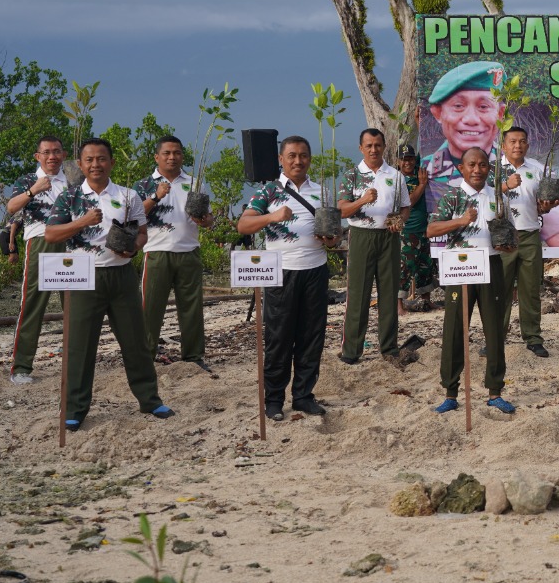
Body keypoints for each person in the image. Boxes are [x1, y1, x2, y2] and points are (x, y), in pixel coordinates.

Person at [44, 138, 174, 430]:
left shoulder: (128, 196)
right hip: (81, 276)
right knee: (79, 346)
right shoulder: (70, 198)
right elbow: (51, 234)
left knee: (135, 341)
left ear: (111, 162)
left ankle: (150, 400)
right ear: (80, 164)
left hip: (121, 275)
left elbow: (141, 233)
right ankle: (75, 408)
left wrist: (134, 248)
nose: (95, 165)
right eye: (89, 160)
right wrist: (83, 221)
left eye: (101, 159)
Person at [420, 61, 559, 246]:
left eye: (484, 107)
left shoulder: (534, 171)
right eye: (458, 106)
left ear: (501, 113)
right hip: (454, 267)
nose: (471, 119)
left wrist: (542, 208)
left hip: (503, 256)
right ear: (438, 112)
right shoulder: (424, 170)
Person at [236, 136, 339, 419]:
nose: (298, 161)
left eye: (303, 155)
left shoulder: (322, 192)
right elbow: (243, 224)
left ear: (309, 159)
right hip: (280, 272)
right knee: (279, 337)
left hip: (315, 270)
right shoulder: (269, 191)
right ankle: (274, 400)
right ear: (281, 159)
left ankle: (304, 395)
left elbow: (333, 239)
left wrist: (330, 239)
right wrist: (272, 217)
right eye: (292, 155)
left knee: (311, 336)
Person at [427, 147, 517, 414]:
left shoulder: (498, 197)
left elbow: (512, 234)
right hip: (459, 267)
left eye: (482, 165)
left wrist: (509, 246)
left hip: (490, 265)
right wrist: (460, 221)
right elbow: (431, 229)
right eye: (472, 165)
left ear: (489, 169)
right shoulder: (452, 197)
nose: (477, 170)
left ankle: (495, 391)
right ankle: (451, 392)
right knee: (454, 329)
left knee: (494, 330)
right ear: (461, 169)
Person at [133, 136, 215, 367]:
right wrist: (156, 196)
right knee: (150, 308)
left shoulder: (195, 182)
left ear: (182, 156)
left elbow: (207, 219)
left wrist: (207, 221)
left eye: (177, 153)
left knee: (192, 307)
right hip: (157, 252)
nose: (172, 157)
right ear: (156, 157)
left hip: (189, 250)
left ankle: (193, 357)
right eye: (167, 153)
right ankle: (145, 356)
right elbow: (134, 215)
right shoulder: (144, 184)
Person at [337, 128, 412, 365]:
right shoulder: (352, 175)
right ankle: (351, 351)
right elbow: (341, 210)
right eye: (368, 145)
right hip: (360, 236)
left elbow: (405, 207)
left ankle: (389, 348)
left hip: (388, 238)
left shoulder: (396, 175)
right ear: (361, 148)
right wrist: (363, 200)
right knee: (358, 294)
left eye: (377, 145)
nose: (373, 150)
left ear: (384, 147)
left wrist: (400, 221)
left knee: (389, 293)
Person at [494, 126, 559, 357]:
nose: (517, 145)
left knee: (530, 289)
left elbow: (551, 200)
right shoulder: (493, 169)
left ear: (528, 144)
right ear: (503, 146)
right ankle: (495, 338)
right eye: (512, 141)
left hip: (530, 235)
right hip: (502, 235)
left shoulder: (538, 169)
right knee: (499, 291)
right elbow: (481, 197)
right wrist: (504, 186)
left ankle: (533, 338)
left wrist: (547, 205)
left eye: (522, 141)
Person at [6, 136, 68, 385]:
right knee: (32, 305)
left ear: (63, 155)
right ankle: (21, 367)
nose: (52, 156)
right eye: (47, 152)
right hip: (40, 242)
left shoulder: (74, 179)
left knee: (76, 304)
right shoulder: (28, 180)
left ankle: (75, 360)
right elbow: (11, 207)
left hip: (72, 245)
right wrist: (33, 191)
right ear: (38, 156)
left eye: (56, 152)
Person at [394, 143, 435, 316]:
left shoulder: (419, 170)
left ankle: (426, 300)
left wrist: (420, 120)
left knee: (425, 266)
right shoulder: (396, 180)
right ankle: (399, 305)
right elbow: (408, 202)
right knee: (405, 268)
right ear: (398, 161)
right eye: (403, 159)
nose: (407, 163)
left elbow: (424, 143)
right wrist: (422, 185)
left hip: (425, 228)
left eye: (410, 158)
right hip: (407, 230)